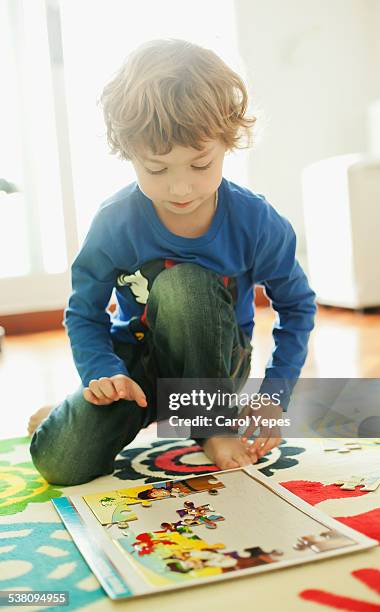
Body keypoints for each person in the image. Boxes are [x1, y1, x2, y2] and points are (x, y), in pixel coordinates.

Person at [29, 39, 316, 485]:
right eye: (157, 170)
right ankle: (68, 415)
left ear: (228, 142)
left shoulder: (256, 222)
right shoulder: (114, 222)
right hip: (137, 367)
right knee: (61, 463)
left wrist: (274, 395)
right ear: (129, 153)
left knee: (183, 286)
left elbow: (297, 306)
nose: (180, 188)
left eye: (201, 164)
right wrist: (104, 374)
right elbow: (83, 312)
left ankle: (211, 424)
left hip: (214, 365)